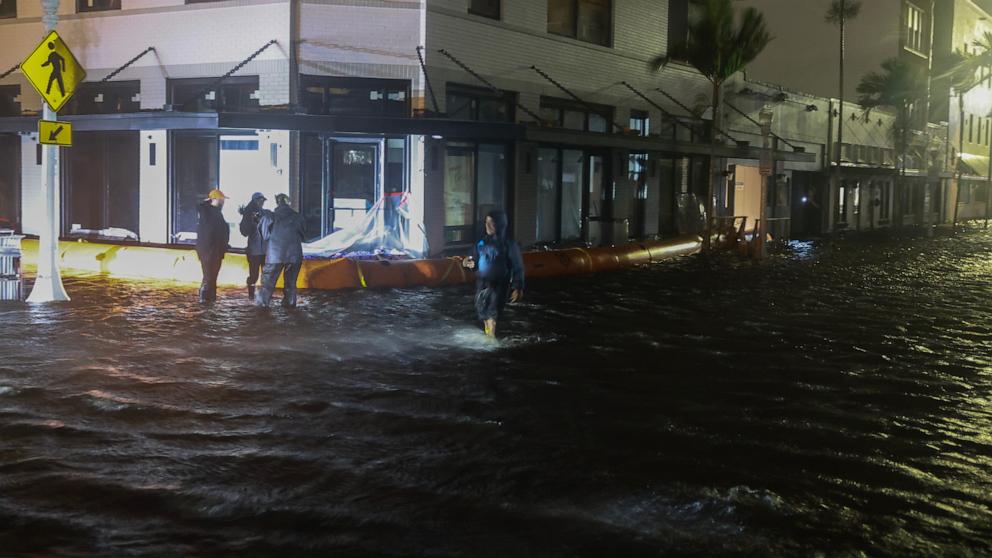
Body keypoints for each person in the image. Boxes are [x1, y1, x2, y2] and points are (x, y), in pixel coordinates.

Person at [461, 210, 525, 338]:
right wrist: (467, 263)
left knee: (492, 311)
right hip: (482, 284)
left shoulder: (508, 245)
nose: (488, 226)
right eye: (486, 222)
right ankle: (489, 335)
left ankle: (491, 340)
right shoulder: (481, 243)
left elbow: (518, 266)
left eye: (492, 223)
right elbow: (470, 259)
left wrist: (518, 287)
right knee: (483, 311)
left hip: (499, 284)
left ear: (500, 225)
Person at [256, 193, 306, 307]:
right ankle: (290, 305)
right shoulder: (298, 217)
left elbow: (265, 236)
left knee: (267, 285)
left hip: (275, 255)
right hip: (295, 256)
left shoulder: (270, 216)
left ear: (277, 202)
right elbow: (303, 236)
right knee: (291, 284)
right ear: (288, 203)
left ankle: (262, 308)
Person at [196, 188, 230, 304]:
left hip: (215, 250)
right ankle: (204, 300)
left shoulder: (216, 212)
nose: (223, 202)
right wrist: (207, 201)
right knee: (208, 276)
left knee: (212, 276)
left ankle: (210, 300)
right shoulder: (207, 211)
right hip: (208, 250)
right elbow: (200, 206)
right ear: (214, 199)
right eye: (221, 199)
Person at [238, 192, 267, 300]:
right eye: (261, 200)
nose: (262, 203)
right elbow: (245, 231)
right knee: (254, 275)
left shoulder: (263, 213)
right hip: (256, 251)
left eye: (263, 201)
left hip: (262, 251)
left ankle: (262, 296)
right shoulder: (250, 214)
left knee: (264, 274)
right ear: (255, 201)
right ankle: (252, 296)